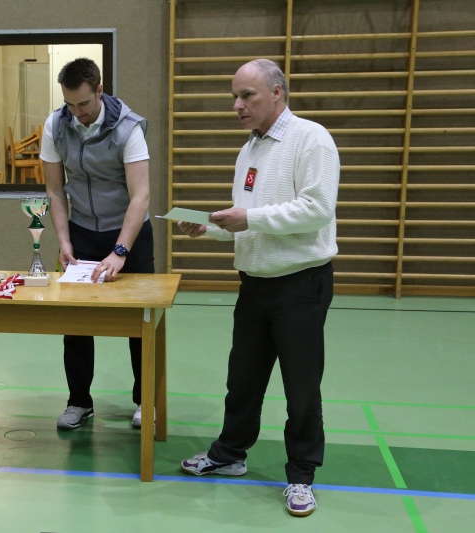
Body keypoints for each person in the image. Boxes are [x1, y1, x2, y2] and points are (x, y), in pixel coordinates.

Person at [177, 59, 339, 517]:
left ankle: (301, 475)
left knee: (301, 388)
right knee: (243, 379)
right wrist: (209, 228)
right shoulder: (249, 149)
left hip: (300, 286)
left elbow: (317, 209)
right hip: (254, 284)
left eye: (246, 95)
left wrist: (247, 217)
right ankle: (230, 454)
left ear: (276, 93)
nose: (237, 105)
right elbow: (249, 221)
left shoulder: (311, 139)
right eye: (235, 96)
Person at [40, 57, 154, 430]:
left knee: (140, 322)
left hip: (130, 233)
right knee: (75, 321)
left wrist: (120, 251)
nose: (78, 112)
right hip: (83, 231)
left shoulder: (128, 128)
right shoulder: (55, 126)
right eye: (70, 104)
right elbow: (55, 190)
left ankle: (146, 400)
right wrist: (63, 240)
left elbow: (141, 196)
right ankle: (79, 401)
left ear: (100, 90)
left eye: (84, 104)